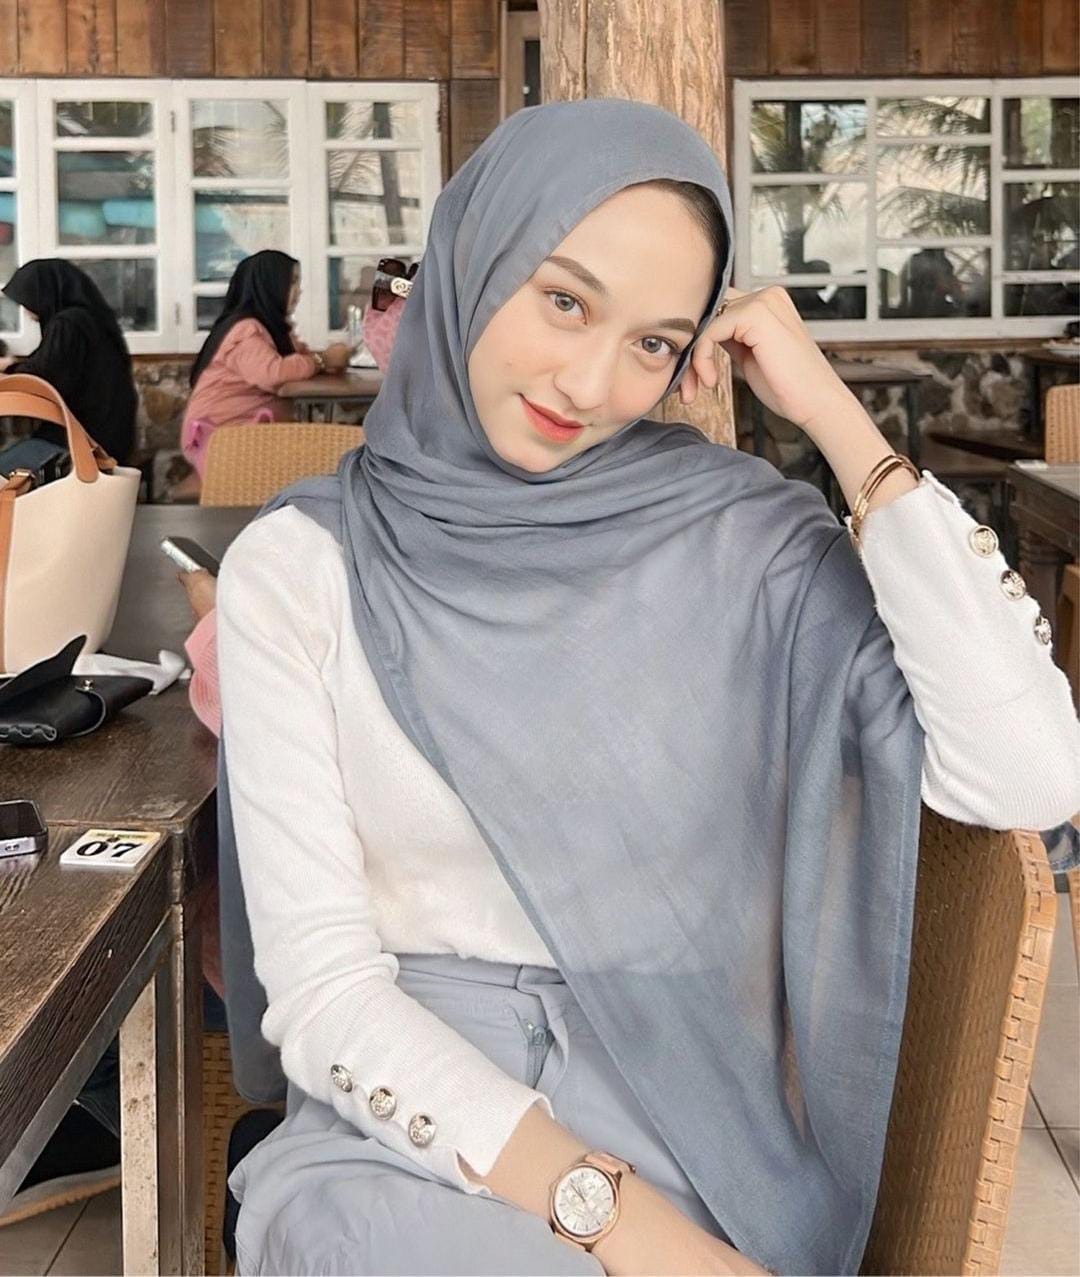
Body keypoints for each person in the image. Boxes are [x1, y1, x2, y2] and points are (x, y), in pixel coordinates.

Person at [214, 101, 1079, 1277]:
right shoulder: (301, 566)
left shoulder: (744, 546)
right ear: (474, 260)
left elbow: (1031, 773)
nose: (590, 382)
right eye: (565, 300)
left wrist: (837, 419)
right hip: (415, 1125)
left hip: (697, 1110)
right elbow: (325, 994)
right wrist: (629, 1229)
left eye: (655, 343)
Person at [176, 250, 351, 498]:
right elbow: (272, 373)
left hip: (245, 432)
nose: (299, 291)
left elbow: (296, 358)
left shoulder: (270, 328)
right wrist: (322, 360)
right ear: (270, 285)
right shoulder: (245, 330)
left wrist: (324, 359)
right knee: (325, 458)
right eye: (292, 282)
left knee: (320, 459)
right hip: (221, 439)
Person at [0, 259, 138, 463]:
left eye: (28, 300)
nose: (26, 309)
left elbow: (43, 376)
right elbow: (53, 363)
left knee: (6, 469)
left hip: (88, 438)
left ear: (44, 294)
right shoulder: (85, 319)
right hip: (109, 431)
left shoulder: (68, 324)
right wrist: (12, 366)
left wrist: (8, 373)